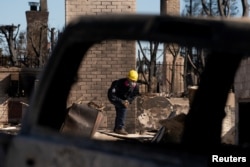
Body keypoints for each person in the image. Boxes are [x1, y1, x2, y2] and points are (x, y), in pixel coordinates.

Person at [107, 69, 140, 135]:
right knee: (123, 107)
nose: (133, 83)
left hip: (124, 99)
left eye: (134, 81)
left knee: (120, 111)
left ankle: (116, 128)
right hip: (114, 97)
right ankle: (120, 128)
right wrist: (122, 101)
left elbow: (134, 95)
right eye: (132, 81)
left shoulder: (136, 87)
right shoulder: (118, 83)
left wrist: (128, 101)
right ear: (128, 79)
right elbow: (112, 95)